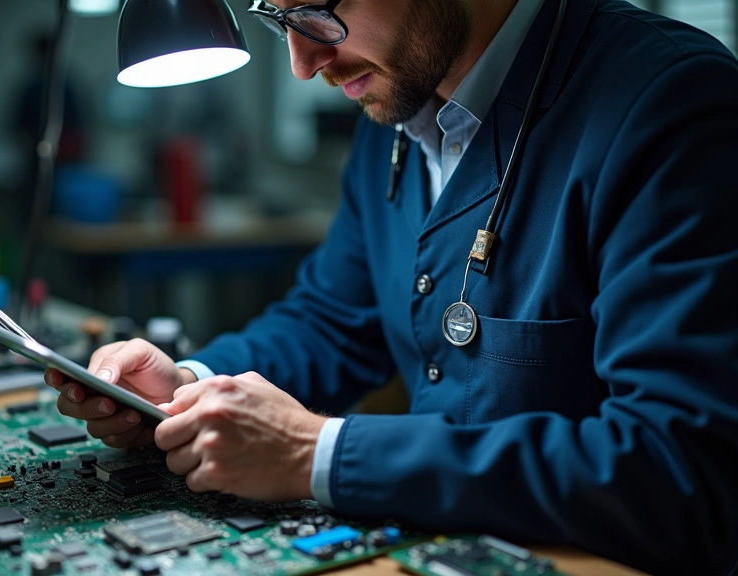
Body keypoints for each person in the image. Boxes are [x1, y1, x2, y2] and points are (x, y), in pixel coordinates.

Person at [45, 0, 738, 573]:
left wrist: (320, 454)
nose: (304, 61)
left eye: (318, 10)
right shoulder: (397, 107)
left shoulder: (671, 107)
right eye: (276, 19)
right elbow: (332, 321)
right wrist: (190, 386)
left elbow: (678, 472)